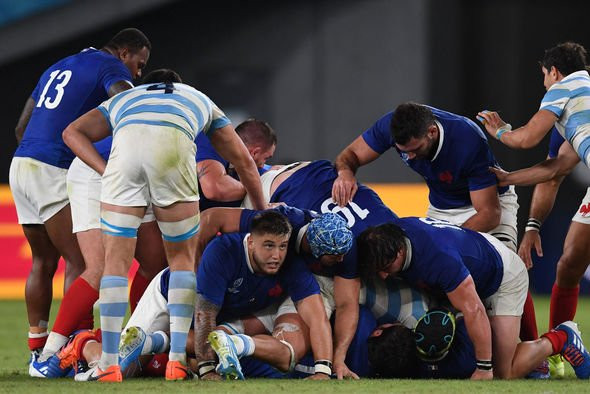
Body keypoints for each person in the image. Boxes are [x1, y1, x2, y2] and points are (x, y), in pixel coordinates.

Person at [61, 70, 266, 382]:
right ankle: (177, 361)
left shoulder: (125, 98)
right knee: (182, 260)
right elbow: (245, 162)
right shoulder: (200, 100)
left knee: (115, 264)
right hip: (172, 151)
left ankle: (107, 365)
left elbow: (72, 132)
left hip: (125, 156)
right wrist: (260, 213)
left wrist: (105, 171)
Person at [331, 103, 544, 346]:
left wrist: (444, 245)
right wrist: (345, 174)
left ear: (432, 132)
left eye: (414, 149)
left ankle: (536, 349)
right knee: (436, 285)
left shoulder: (466, 139)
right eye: (403, 152)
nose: (409, 156)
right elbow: (350, 156)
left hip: (487, 206)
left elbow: (490, 213)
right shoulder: (393, 125)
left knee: (503, 270)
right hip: (441, 210)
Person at [9, 28, 151, 368]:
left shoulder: (60, 65)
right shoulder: (111, 67)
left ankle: (37, 345)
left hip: (21, 164)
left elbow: (20, 127)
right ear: (124, 53)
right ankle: (73, 349)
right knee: (86, 265)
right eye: (139, 64)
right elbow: (128, 104)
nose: (139, 72)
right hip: (52, 167)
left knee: (43, 263)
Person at [357, 217, 590, 379]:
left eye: (386, 267)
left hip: (503, 276)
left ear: (400, 251)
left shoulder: (437, 259)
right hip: (474, 259)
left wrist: (484, 367)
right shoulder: (392, 234)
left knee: (504, 372)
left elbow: (473, 310)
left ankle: (562, 337)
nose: (383, 275)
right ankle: (528, 355)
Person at [477, 41, 590, 377]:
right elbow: (555, 169)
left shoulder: (565, 86)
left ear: (554, 71)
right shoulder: (581, 104)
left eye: (544, 76)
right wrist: (511, 182)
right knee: (569, 264)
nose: (544, 84)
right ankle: (563, 347)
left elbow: (526, 139)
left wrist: (501, 131)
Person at [241, 159, 399, 378]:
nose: (341, 258)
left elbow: (346, 305)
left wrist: (337, 361)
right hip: (274, 188)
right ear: (315, 252)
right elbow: (222, 222)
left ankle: (234, 344)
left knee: (292, 344)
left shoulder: (347, 247)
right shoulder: (280, 220)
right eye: (335, 257)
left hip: (304, 176)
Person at [193, 210, 333, 380]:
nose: (277, 255)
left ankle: (234, 344)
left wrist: (323, 371)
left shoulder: (292, 265)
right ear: (251, 242)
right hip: (179, 304)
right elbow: (204, 314)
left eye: (282, 246)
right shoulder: (222, 252)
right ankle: (158, 340)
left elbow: (317, 317)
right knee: (189, 351)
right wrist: (206, 369)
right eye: (269, 245)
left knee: (286, 359)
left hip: (233, 315)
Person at [197, 118, 277, 211]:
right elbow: (214, 189)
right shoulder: (210, 141)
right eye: (266, 158)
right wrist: (256, 189)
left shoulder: (252, 169)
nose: (263, 165)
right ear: (254, 153)